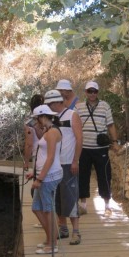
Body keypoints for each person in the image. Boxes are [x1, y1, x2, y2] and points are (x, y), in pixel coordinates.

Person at [44, 89, 83, 245]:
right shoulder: (51, 118)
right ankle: (63, 227)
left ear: (55, 102)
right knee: (57, 196)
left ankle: (76, 231)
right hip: (54, 164)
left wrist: (75, 161)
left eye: (49, 104)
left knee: (71, 196)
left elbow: (80, 139)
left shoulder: (72, 115)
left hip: (68, 163)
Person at [76, 81, 119, 216]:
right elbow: (74, 126)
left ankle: (107, 205)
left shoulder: (105, 106)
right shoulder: (78, 108)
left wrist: (115, 142)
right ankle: (83, 205)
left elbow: (110, 125)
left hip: (101, 149)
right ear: (86, 92)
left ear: (98, 92)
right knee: (83, 176)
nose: (92, 94)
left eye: (95, 91)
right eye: (90, 91)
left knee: (105, 176)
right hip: (83, 148)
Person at [26, 105, 63, 254]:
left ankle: (53, 244)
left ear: (42, 117)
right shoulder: (49, 131)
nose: (36, 123)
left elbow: (51, 157)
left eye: (36, 119)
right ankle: (50, 239)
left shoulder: (52, 132)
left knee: (48, 210)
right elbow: (43, 156)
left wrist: (40, 179)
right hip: (43, 175)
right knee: (36, 208)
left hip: (48, 176)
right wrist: (35, 174)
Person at [23, 94, 45, 172]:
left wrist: (26, 162)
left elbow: (29, 144)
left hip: (38, 155)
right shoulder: (49, 118)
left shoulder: (29, 121)